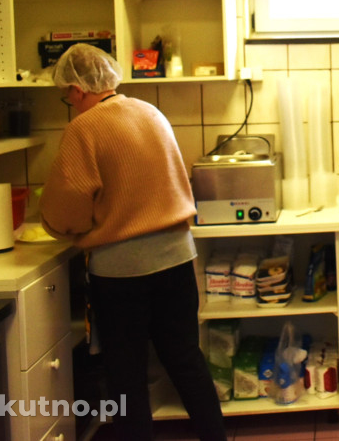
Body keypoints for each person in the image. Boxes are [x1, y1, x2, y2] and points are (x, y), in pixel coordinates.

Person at [39, 43, 226, 441]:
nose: (69, 104)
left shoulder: (83, 129)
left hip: (122, 272)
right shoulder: (150, 112)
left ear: (76, 89)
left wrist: (66, 227)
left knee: (126, 375)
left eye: (66, 96)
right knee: (186, 361)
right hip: (177, 259)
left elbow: (63, 211)